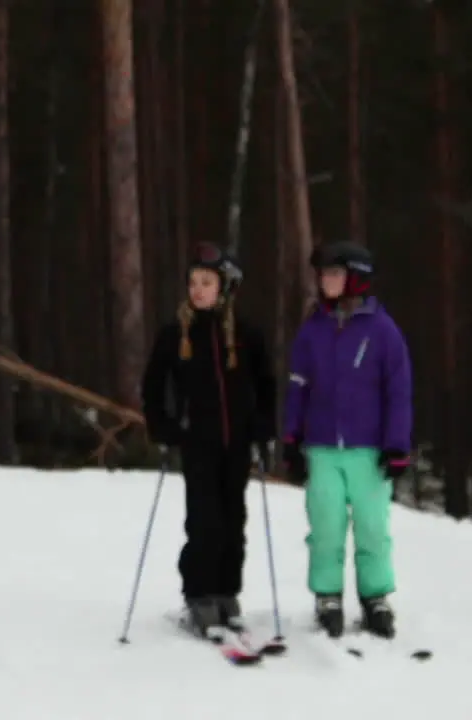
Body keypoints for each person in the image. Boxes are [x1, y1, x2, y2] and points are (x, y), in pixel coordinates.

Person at [141, 242, 277, 637]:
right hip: (197, 441)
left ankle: (225, 592)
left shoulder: (246, 334)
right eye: (193, 282)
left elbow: (265, 383)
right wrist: (163, 426)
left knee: (234, 519)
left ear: (225, 288)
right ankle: (198, 594)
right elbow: (153, 385)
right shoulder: (176, 333)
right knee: (205, 521)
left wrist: (263, 427)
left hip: (236, 442)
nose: (198, 290)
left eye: (206, 282)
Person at [281, 240, 412, 640]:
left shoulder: (383, 331)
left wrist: (397, 446)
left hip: (369, 450)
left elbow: (399, 391)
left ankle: (375, 597)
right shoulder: (313, 329)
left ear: (356, 279)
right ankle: (328, 595)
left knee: (372, 526)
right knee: (326, 525)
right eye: (323, 274)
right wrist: (291, 438)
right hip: (322, 447)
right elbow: (298, 386)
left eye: (334, 274)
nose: (326, 281)